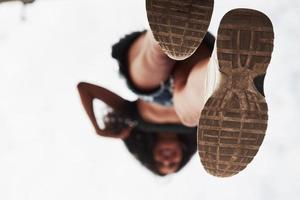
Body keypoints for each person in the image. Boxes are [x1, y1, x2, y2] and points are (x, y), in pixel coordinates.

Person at [78, 0, 274, 177]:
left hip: (151, 84)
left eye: (160, 162)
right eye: (173, 163)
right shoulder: (196, 131)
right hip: (190, 74)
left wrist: (98, 128)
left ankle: (164, 34)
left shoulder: (133, 121)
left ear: (148, 153)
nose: (167, 159)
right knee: (191, 114)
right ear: (183, 154)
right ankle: (219, 77)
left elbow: (86, 89)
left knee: (144, 82)